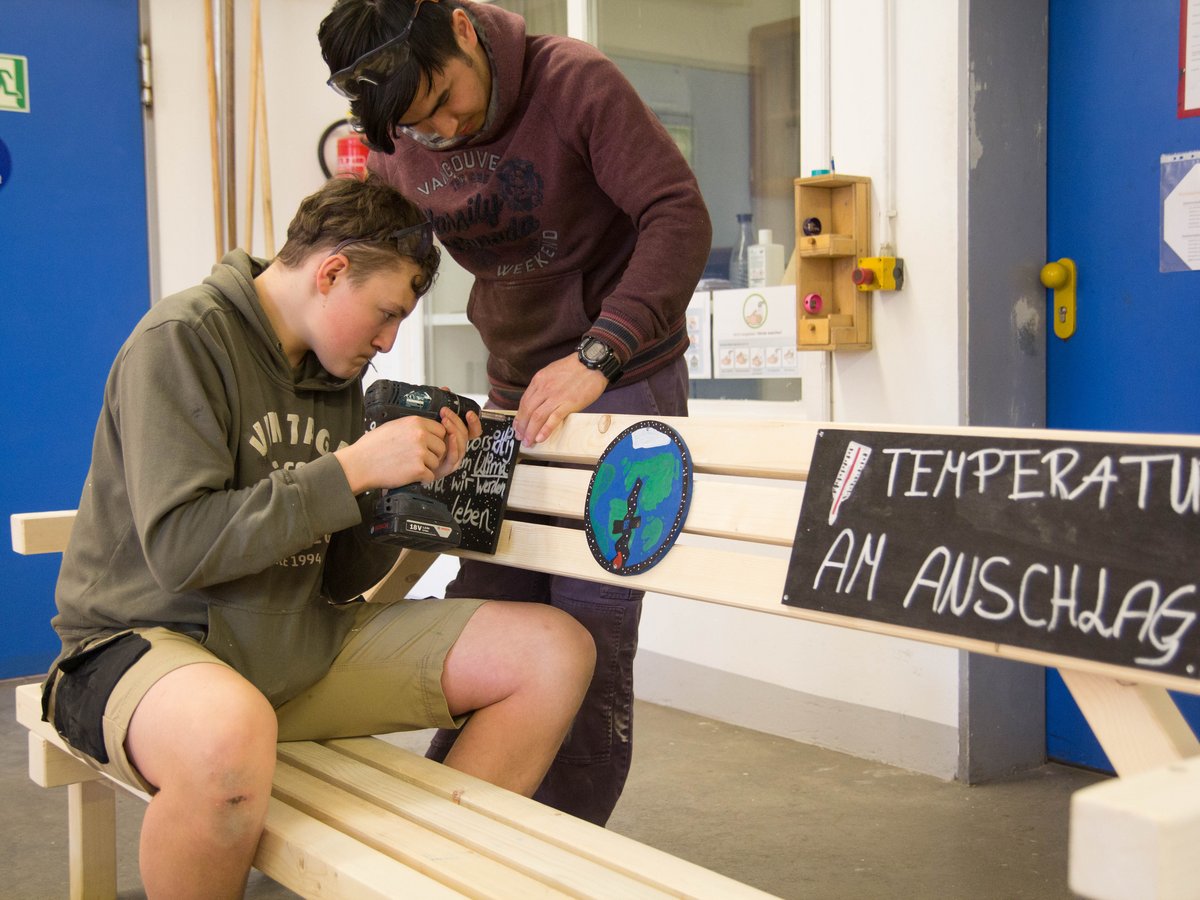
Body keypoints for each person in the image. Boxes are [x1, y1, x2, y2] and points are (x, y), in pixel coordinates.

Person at [41, 176, 595, 899]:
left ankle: (412, 886)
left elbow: (336, 577)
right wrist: (351, 469)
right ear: (332, 272)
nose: (390, 339)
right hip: (145, 646)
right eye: (386, 312)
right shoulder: (182, 342)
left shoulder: (335, 373)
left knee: (553, 653)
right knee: (227, 734)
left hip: (290, 644)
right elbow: (181, 551)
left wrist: (416, 493)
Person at [318, 0, 713, 825]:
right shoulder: (402, 133)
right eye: (418, 126)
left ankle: (554, 849)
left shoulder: (575, 84)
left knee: (592, 628)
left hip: (625, 379)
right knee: (488, 603)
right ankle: (454, 828)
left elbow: (677, 214)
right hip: (515, 388)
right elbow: (369, 242)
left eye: (445, 100)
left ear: (462, 27)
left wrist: (598, 354)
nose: (443, 129)